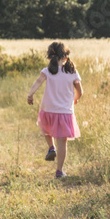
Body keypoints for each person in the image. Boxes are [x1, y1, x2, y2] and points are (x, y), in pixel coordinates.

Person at [27, 42, 82, 178]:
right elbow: (80, 91)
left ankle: (51, 147)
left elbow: (38, 82)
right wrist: (76, 99)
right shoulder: (72, 72)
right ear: (66, 57)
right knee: (62, 141)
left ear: (50, 57)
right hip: (65, 111)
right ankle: (59, 171)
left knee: (46, 129)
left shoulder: (47, 71)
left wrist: (30, 94)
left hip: (48, 108)